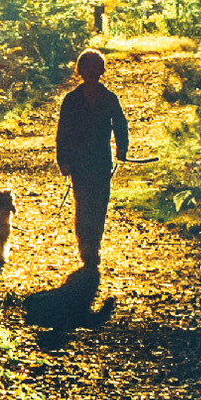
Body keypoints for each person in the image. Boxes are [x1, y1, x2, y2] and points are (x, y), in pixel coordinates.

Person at [56, 48, 128, 270]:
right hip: (79, 162)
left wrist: (122, 150)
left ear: (102, 71)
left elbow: (120, 124)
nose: (91, 71)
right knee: (83, 204)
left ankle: (94, 244)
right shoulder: (71, 100)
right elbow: (63, 132)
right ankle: (85, 247)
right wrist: (63, 160)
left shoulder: (109, 98)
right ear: (79, 70)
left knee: (99, 205)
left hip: (101, 161)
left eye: (95, 67)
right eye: (86, 67)